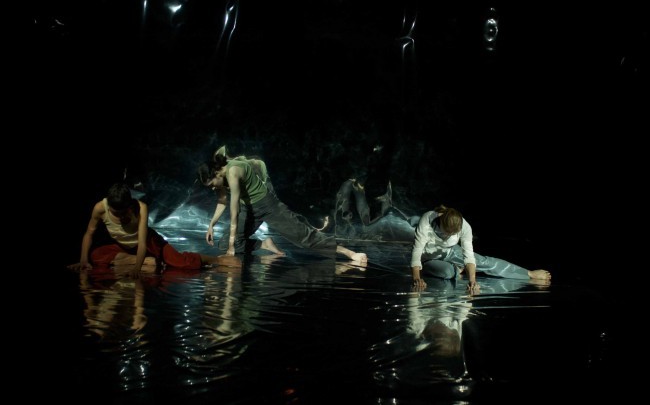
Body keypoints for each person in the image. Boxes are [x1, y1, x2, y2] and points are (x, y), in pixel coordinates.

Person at [197, 147, 368, 263]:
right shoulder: (220, 178)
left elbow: (233, 210)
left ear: (217, 172)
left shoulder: (233, 171)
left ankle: (349, 253)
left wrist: (232, 249)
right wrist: (211, 225)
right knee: (223, 243)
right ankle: (265, 244)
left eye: (212, 183)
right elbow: (222, 201)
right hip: (248, 209)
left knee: (303, 238)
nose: (213, 187)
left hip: (268, 205)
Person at [68, 182, 232, 278]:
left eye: (122, 213)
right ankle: (147, 261)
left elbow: (141, 243)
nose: (119, 217)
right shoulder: (100, 208)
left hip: (148, 242)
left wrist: (136, 270)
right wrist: (83, 260)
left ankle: (216, 260)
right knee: (96, 256)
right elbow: (89, 233)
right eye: (114, 213)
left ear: (128, 206)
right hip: (123, 246)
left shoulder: (140, 208)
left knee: (181, 264)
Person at [410, 205, 551, 294]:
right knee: (448, 273)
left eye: (452, 234)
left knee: (484, 262)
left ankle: (529, 273)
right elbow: (416, 251)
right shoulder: (427, 220)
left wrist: (472, 280)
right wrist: (417, 278)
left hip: (450, 251)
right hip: (429, 258)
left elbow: (469, 255)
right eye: (446, 233)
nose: (448, 236)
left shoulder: (465, 227)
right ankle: (456, 269)